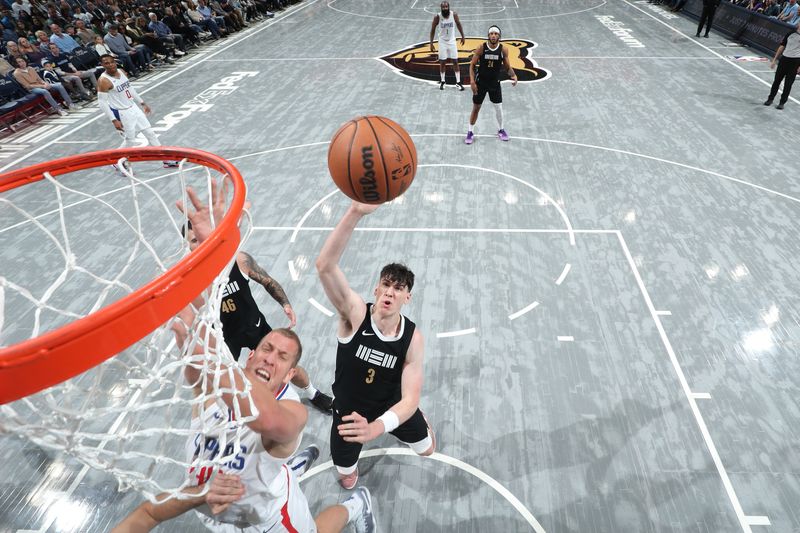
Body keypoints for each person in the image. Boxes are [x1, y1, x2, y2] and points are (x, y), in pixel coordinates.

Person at [113, 182, 377, 533]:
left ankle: (356, 505)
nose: (271, 358)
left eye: (283, 358)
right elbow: (200, 341)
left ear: (289, 376)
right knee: (260, 454)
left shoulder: (293, 413)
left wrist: (219, 256)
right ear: (249, 357)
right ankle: (284, 469)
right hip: (212, 511)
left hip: (271, 520)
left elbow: (262, 416)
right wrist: (209, 253)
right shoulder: (211, 395)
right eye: (267, 349)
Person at [316, 201, 436, 490]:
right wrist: (355, 212)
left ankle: (416, 425)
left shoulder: (412, 338)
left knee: (428, 448)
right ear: (376, 290)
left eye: (399, 288)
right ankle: (348, 466)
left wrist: (377, 427)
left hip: (390, 403)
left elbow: (409, 400)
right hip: (349, 410)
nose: (391, 292)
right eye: (386, 284)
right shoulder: (355, 315)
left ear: (407, 298)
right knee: (346, 476)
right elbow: (325, 266)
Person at [183, 222, 335, 414]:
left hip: (255, 328)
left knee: (290, 367)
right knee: (222, 382)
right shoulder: (190, 276)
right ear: (187, 246)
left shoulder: (238, 260)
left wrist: (285, 304)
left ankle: (314, 393)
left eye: (202, 235)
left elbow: (268, 281)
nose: (201, 242)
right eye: (194, 240)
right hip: (223, 337)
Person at [96, 54, 179, 166]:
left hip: (133, 107)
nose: (110, 65)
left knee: (150, 133)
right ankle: (116, 162)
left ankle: (165, 159)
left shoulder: (121, 71)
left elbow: (129, 88)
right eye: (106, 63)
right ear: (102, 65)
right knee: (130, 140)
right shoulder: (104, 81)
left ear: (115, 62)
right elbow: (102, 102)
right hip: (122, 112)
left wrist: (142, 102)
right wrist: (113, 119)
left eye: (112, 62)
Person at [464, 25, 517, 145]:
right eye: (491, 33)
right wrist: (472, 82)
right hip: (481, 83)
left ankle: (501, 130)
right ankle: (470, 132)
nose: (493, 35)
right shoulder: (481, 48)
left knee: (499, 108)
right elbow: (472, 65)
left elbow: (507, 67)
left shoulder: (503, 50)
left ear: (499, 36)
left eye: (496, 34)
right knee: (476, 108)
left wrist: (514, 75)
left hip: (494, 83)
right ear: (488, 36)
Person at [429, 1, 465, 91]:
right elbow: (432, 29)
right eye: (443, 7)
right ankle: (443, 81)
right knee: (442, 62)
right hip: (442, 41)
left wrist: (463, 36)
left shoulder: (454, 15)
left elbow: (459, 24)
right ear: (441, 8)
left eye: (446, 7)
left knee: (455, 61)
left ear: (449, 7)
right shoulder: (437, 17)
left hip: (452, 40)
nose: (445, 8)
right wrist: (431, 43)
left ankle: (458, 82)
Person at [764, 23, 800, 109]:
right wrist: (774, 60)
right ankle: (770, 99)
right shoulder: (790, 33)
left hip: (795, 61)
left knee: (788, 84)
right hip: (784, 60)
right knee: (776, 81)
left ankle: (782, 102)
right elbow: (782, 46)